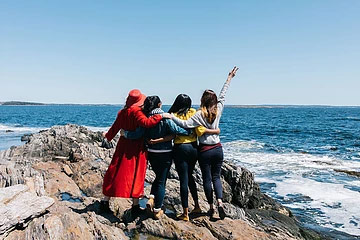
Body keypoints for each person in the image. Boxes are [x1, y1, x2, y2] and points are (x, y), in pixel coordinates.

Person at [163, 67, 238, 220]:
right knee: (216, 177)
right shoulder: (218, 110)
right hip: (217, 148)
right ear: (214, 101)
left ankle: (210, 207)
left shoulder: (198, 114)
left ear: (202, 101)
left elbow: (183, 124)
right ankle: (220, 202)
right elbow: (223, 95)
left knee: (206, 179)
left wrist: (169, 116)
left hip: (204, 150)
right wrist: (229, 79)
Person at [122, 95, 191, 219]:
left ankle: (152, 198)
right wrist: (190, 131)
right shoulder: (165, 117)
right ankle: (157, 209)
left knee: (158, 178)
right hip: (165, 153)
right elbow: (177, 130)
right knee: (161, 181)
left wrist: (125, 133)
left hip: (152, 153)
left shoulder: (146, 118)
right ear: (159, 104)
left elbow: (137, 134)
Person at [100, 89, 163, 214]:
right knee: (136, 174)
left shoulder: (122, 112)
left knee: (115, 171)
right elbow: (147, 123)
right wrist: (161, 115)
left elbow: (114, 129)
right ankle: (135, 206)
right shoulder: (137, 111)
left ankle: (105, 201)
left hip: (123, 146)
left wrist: (107, 136)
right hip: (136, 148)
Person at [168, 94, 220, 221]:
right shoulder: (194, 112)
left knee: (183, 180)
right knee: (190, 176)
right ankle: (196, 206)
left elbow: (171, 131)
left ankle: (185, 213)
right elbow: (198, 129)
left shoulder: (173, 115)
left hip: (180, 147)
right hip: (193, 148)